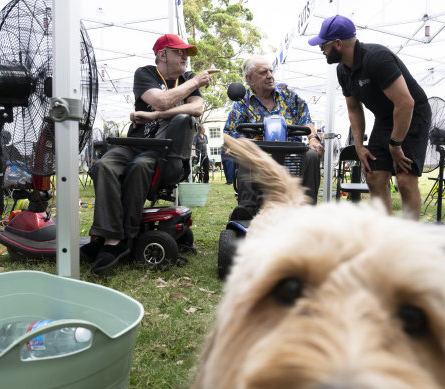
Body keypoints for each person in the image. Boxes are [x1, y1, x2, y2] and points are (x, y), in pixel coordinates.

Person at [80, 33, 219, 273]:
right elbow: (162, 100)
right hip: (135, 142)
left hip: (164, 150)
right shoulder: (145, 73)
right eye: (179, 52)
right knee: (104, 165)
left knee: (141, 166)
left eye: (186, 52)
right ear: (162, 54)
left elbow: (196, 108)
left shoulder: (185, 78)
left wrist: (154, 115)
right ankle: (110, 237)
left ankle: (117, 241)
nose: (185, 56)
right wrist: (194, 83)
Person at [308, 15, 431, 220]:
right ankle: (383, 235)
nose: (321, 49)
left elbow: (406, 103)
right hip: (385, 118)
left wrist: (395, 144)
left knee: (404, 181)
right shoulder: (342, 70)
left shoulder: (376, 58)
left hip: (412, 114)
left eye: (324, 44)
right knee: (373, 175)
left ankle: (409, 240)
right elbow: (354, 109)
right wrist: (359, 146)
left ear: (338, 43)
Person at [224, 56, 325, 218]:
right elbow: (231, 135)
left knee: (311, 155)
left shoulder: (287, 94)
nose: (270, 75)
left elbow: (306, 119)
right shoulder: (242, 103)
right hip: (259, 160)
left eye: (271, 71)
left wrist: (313, 138)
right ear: (249, 79)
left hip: (292, 158)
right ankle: (247, 209)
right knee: (246, 151)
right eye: (263, 72)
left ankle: (307, 210)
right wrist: (244, 143)